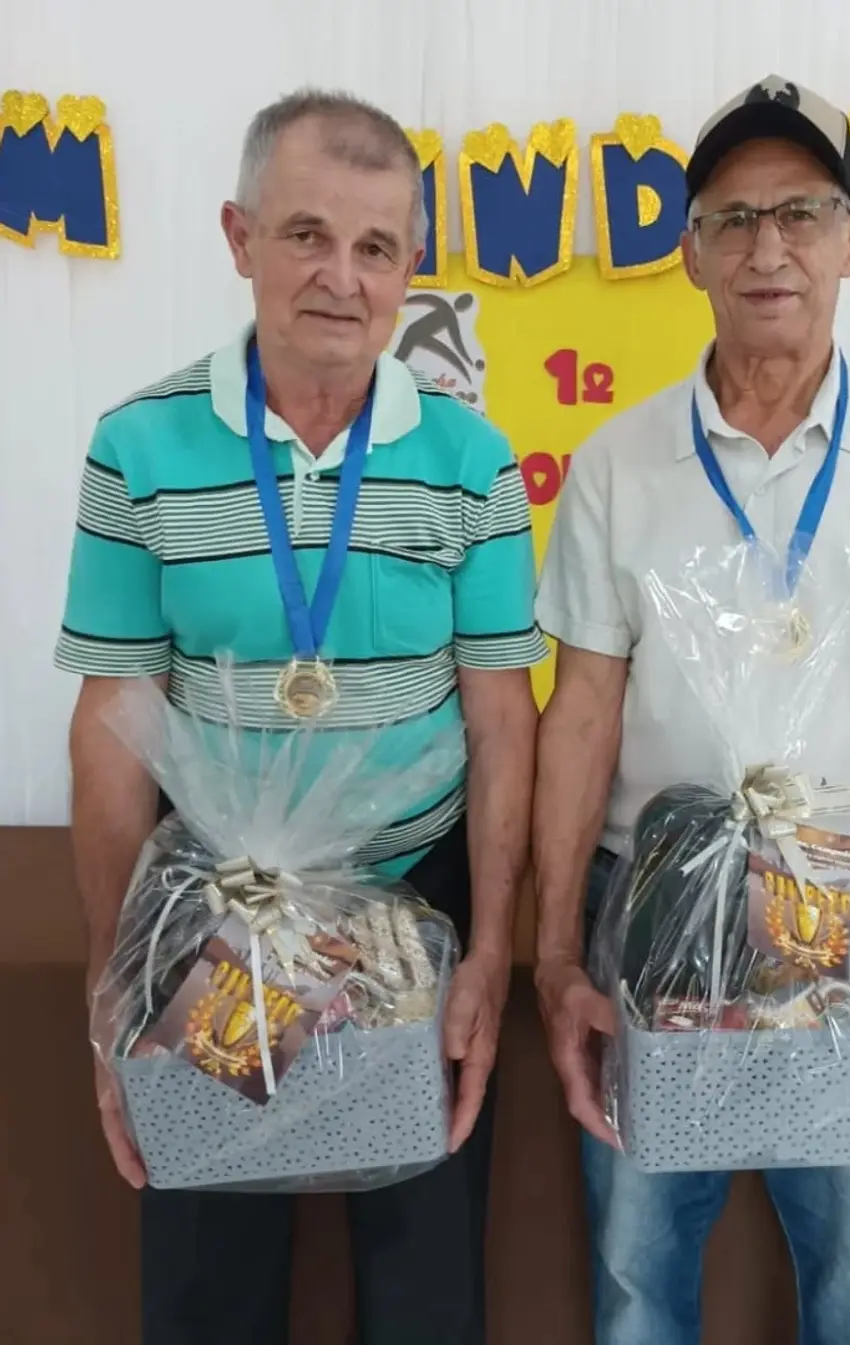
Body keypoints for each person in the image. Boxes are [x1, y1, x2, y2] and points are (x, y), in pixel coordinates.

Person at [55, 88, 546, 1345]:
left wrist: (489, 951)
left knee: (426, 1286)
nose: (343, 277)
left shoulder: (473, 460)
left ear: (411, 266)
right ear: (240, 238)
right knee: (208, 1281)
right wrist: (118, 982)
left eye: (377, 246)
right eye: (308, 234)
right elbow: (115, 720)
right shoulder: (138, 448)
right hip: (212, 914)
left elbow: (503, 718)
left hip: (415, 904)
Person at [532, 75, 850, 1345]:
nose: (768, 249)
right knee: (637, 1270)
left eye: (801, 212)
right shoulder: (617, 463)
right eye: (734, 219)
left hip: (848, 918)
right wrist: (556, 954)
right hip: (649, 914)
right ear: (689, 252)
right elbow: (579, 715)